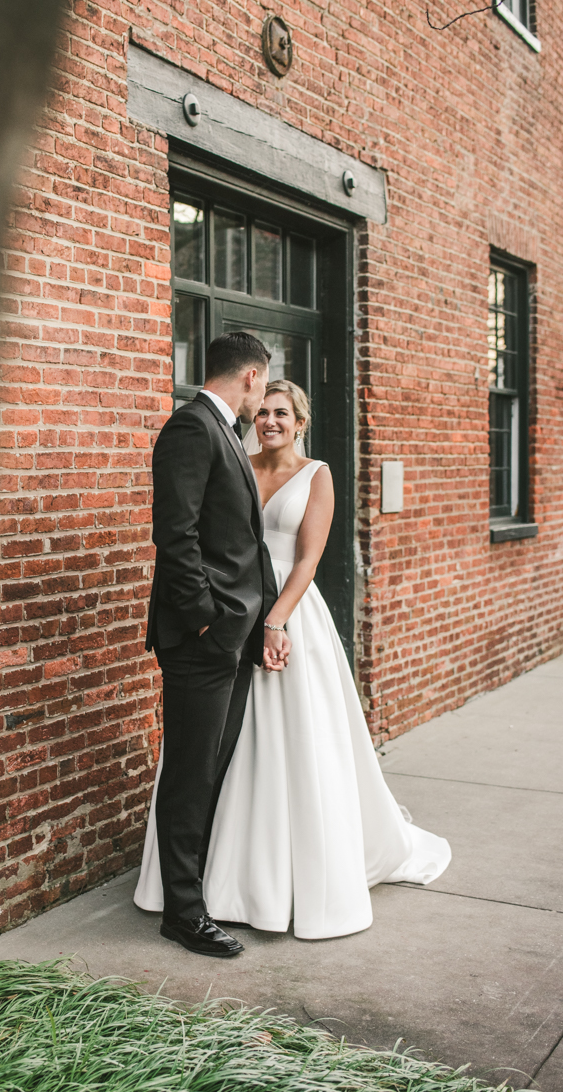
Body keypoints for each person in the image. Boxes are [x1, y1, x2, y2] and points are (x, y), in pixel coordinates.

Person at [136, 379, 451, 939]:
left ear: (300, 422)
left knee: (288, 747)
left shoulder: (318, 476)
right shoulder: (235, 458)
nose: (271, 422)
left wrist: (275, 620)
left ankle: (279, 877)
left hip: (286, 613)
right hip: (230, 614)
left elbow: (306, 560)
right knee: (216, 747)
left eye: (283, 414)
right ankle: (203, 874)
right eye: (265, 413)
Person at [144, 332, 289, 959]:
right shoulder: (191, 428)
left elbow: (241, 543)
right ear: (254, 376)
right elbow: (174, 537)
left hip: (231, 635)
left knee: (212, 770)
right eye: (266, 388)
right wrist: (209, 620)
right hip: (202, 638)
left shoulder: (223, 429)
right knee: (191, 772)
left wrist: (254, 625)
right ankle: (183, 912)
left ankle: (193, 892)